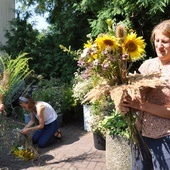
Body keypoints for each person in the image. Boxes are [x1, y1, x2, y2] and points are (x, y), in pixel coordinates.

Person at [120, 19, 170, 170]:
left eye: (165, 41)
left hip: (165, 140)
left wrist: (140, 105)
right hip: (140, 136)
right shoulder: (147, 65)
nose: (159, 45)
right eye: (157, 40)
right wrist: (126, 105)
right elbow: (136, 99)